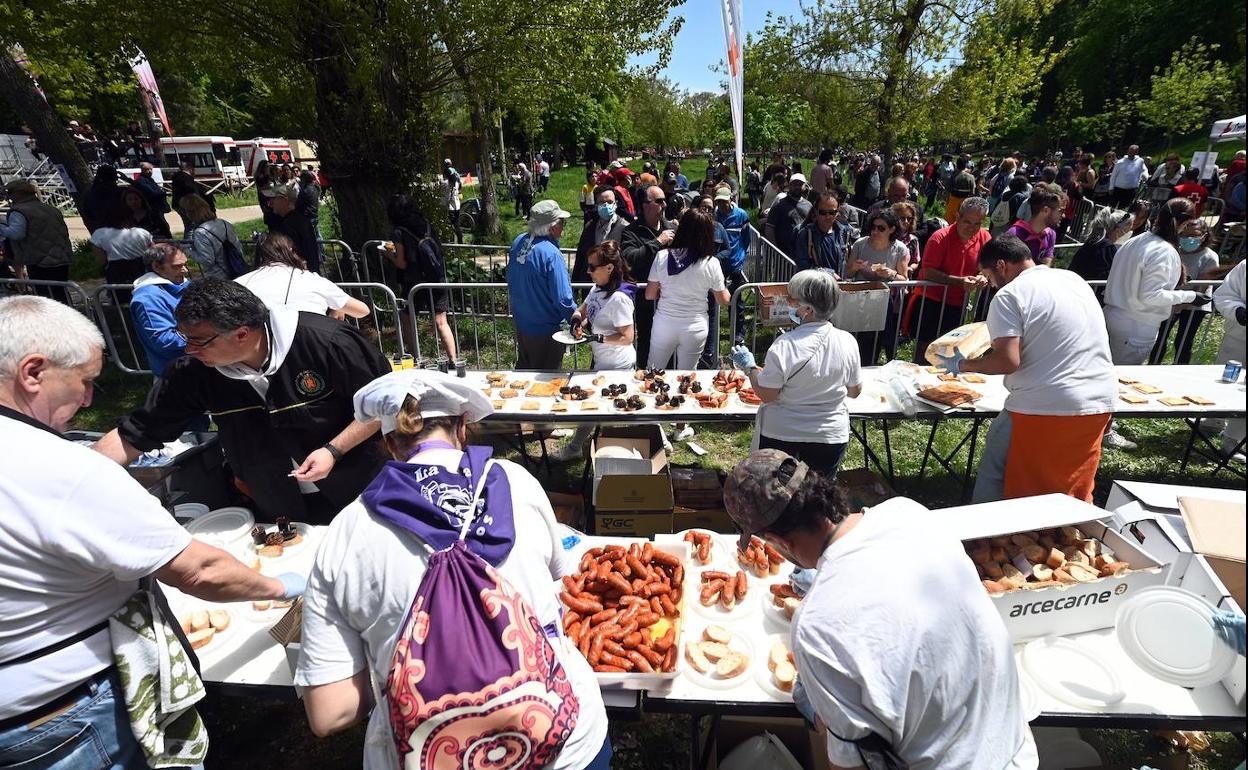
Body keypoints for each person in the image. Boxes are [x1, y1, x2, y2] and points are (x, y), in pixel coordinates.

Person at [0, 296, 304, 770]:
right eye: (85, 382)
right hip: (66, 715)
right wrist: (279, 586)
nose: (87, 399)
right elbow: (200, 570)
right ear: (32, 372)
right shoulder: (57, 468)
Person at [295, 371, 611, 769]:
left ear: (390, 444)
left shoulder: (345, 533)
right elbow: (557, 578)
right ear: (463, 427)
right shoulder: (518, 482)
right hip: (568, 744)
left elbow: (330, 713)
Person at [722, 450, 1037, 770]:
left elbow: (852, 767)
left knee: (806, 695)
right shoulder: (907, 511)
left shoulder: (815, 625)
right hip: (1016, 746)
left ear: (777, 541)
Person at [94, 279, 391, 524]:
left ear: (241, 334)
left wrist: (333, 450)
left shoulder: (329, 342)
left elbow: (384, 406)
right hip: (277, 504)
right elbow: (137, 433)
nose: (188, 349)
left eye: (198, 340)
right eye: (184, 337)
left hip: (360, 491)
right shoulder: (195, 372)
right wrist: (74, 481)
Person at [937, 235, 1117, 503]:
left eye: (989, 275)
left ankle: (988, 536)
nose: (991, 284)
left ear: (1001, 265)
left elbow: (1007, 361)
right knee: (1070, 489)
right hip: (1099, 401)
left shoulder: (1009, 295)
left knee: (1004, 479)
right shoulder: (1072, 280)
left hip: (1043, 406)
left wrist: (962, 364)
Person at [729, 270, 862, 478]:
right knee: (818, 498)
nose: (787, 302)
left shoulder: (785, 345)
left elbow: (767, 395)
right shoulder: (848, 341)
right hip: (829, 435)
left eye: (792, 299)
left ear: (807, 309)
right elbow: (854, 391)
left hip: (783, 434)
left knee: (777, 496)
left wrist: (750, 368)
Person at [1101, 198, 1206, 450]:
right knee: (1117, 380)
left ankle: (1100, 424)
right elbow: (1151, 295)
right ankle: (1104, 431)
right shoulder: (1162, 250)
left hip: (1115, 315)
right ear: (1182, 223)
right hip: (1135, 322)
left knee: (1106, 376)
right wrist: (1189, 296)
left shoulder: (1138, 240)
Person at [554, 241, 638, 462]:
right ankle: (576, 447)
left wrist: (597, 337)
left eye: (592, 267)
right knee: (592, 408)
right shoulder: (597, 289)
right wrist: (576, 320)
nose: (588, 271)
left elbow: (628, 337)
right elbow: (583, 309)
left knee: (613, 412)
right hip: (602, 362)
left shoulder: (619, 299)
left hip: (618, 366)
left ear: (609, 268)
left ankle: (625, 455)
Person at [906, 197, 991, 362]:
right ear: (958, 217)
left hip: (958, 304)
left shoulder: (985, 237)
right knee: (925, 349)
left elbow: (987, 266)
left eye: (977, 223)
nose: (972, 228)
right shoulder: (939, 238)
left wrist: (983, 276)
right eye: (967, 222)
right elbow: (928, 272)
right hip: (930, 300)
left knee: (950, 349)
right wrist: (960, 282)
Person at [645, 208, 730, 371]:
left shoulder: (662, 256)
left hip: (664, 323)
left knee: (653, 372)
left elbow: (649, 294)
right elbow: (723, 300)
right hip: (695, 326)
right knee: (686, 377)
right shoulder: (711, 263)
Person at [507, 199, 576, 370]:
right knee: (545, 384)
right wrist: (576, 319)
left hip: (522, 325)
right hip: (546, 331)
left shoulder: (518, 242)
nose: (564, 226)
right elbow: (563, 298)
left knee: (525, 373)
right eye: (562, 222)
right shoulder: (551, 254)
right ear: (552, 228)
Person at [386, 194, 457, 360]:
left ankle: (414, 356)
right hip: (437, 278)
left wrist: (388, 254)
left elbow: (402, 263)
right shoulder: (426, 225)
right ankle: (454, 360)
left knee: (407, 317)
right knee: (441, 321)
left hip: (414, 283)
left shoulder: (398, 232)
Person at [237, 232, 370, 320]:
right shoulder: (312, 280)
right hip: (311, 349)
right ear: (291, 251)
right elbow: (362, 310)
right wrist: (336, 308)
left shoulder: (239, 284)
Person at [1149, 219, 1217, 365]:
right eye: (1184, 235)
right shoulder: (1174, 251)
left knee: (1183, 341)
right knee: (1160, 337)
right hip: (1172, 301)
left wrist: (1179, 307)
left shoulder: (1210, 257)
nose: (1189, 239)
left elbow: (1202, 287)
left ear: (1204, 236)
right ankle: (1153, 366)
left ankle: (1180, 368)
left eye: (1194, 234)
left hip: (1194, 305)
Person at [621, 185, 676, 365]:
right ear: (645, 205)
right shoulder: (631, 232)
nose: (665, 205)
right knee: (647, 342)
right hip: (646, 302)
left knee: (671, 344)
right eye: (659, 201)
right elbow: (630, 258)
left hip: (671, 300)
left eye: (664, 200)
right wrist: (658, 242)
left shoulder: (671, 228)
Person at [850, 208, 913, 364]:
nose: (875, 231)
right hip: (859, 301)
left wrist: (891, 273)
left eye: (881, 228)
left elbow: (903, 279)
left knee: (875, 343)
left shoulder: (899, 249)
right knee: (856, 341)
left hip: (884, 304)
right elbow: (848, 272)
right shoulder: (860, 244)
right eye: (873, 227)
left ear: (892, 229)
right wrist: (856, 267)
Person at [1201, 259, 1246, 459]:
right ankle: (1212, 420)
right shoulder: (1245, 266)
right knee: (1225, 383)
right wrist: (1237, 311)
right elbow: (1225, 295)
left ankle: (1233, 439)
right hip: (1239, 336)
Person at [0, 179, 72, 302]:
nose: (9, 196)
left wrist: (1, 228)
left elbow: (17, 234)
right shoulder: (50, 208)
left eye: (10, 192)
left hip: (38, 259)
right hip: (61, 255)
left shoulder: (19, 211)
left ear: (19, 193)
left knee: (45, 296)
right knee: (61, 292)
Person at [131, 243, 191, 378]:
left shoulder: (180, 283)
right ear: (157, 267)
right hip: (176, 374)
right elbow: (163, 339)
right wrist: (207, 334)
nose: (185, 270)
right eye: (177, 266)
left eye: (184, 264)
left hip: (198, 366)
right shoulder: (148, 299)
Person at [706, 185, 752, 355]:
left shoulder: (742, 215)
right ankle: (711, 334)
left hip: (735, 263)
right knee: (713, 300)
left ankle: (738, 333)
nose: (722, 205)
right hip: (717, 265)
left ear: (731, 200)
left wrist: (740, 255)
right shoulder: (714, 215)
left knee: (737, 299)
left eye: (724, 202)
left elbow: (746, 238)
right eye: (719, 202)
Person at [1068, 208, 1134, 296]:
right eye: (1128, 230)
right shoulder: (1107, 248)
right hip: (1085, 294)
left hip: (1073, 287)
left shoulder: (1095, 241)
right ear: (1118, 230)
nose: (1129, 233)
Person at [90, 196, 154, 286]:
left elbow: (101, 260)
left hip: (116, 272)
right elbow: (152, 255)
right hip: (142, 270)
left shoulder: (100, 234)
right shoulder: (142, 233)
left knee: (120, 298)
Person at [184, 193, 245, 281]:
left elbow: (207, 260)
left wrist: (188, 251)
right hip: (237, 270)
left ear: (191, 213)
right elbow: (238, 246)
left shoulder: (201, 232)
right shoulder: (224, 223)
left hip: (217, 278)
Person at [572, 186, 627, 282]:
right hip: (590, 283)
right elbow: (580, 256)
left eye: (610, 202)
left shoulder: (624, 227)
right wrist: (575, 282)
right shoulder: (590, 226)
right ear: (596, 205)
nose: (606, 206)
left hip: (614, 283)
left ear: (616, 204)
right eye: (602, 202)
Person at [264, 183, 322, 274]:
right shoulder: (296, 220)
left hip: (299, 276)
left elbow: (301, 255)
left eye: (273, 198)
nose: (269, 203)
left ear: (285, 199)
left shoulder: (292, 224)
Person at [1005, 187, 1062, 266]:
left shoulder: (1050, 234)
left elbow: (1046, 262)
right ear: (1046, 210)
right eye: (1060, 211)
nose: (1063, 215)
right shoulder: (1014, 234)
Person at [766, 173, 811, 262]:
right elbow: (769, 228)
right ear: (789, 185)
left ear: (805, 186)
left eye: (800, 184)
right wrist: (775, 250)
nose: (797, 187)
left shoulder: (809, 206)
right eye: (795, 184)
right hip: (784, 255)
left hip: (803, 254)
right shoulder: (779, 205)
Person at [131, 162, 172, 238]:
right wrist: (164, 193)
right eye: (147, 169)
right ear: (142, 170)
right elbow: (152, 193)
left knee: (164, 227)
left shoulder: (149, 179)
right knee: (162, 228)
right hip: (151, 208)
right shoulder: (141, 181)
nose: (150, 171)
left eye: (151, 169)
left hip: (157, 208)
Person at [171, 160, 210, 233]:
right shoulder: (185, 178)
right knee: (191, 226)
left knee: (189, 225)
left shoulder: (178, 177)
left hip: (179, 203)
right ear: (190, 168)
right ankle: (189, 243)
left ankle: (190, 242)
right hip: (186, 204)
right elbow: (191, 191)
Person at [1109, 144, 1147, 209]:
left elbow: (1144, 169)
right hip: (1118, 189)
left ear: (1136, 152)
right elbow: (1113, 176)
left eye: (1133, 152)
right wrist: (1111, 188)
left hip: (1131, 190)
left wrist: (1145, 175)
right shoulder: (1120, 162)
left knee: (1123, 209)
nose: (1130, 153)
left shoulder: (1140, 161)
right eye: (1129, 151)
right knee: (1112, 207)